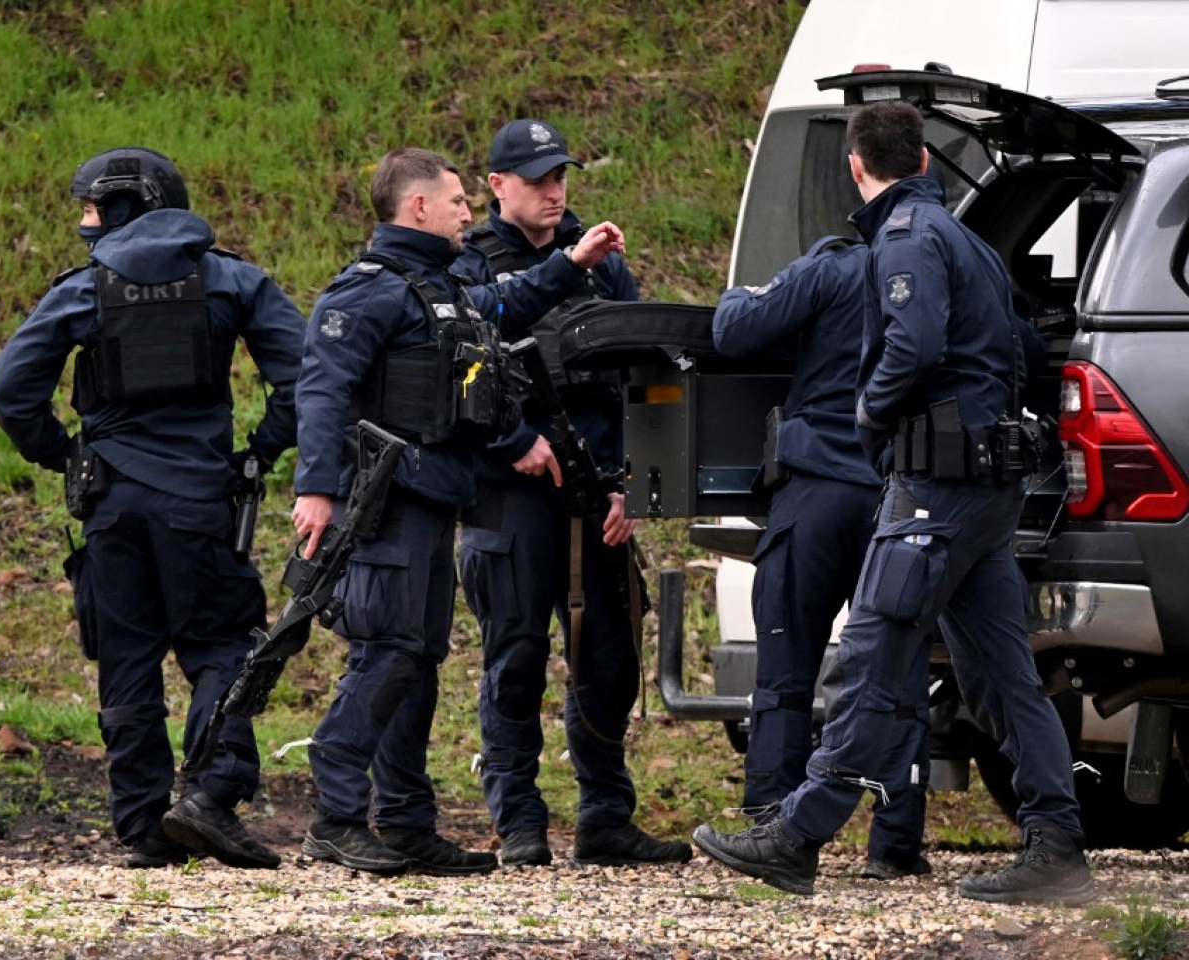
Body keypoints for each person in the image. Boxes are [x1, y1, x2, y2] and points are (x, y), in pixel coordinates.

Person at [693, 100, 1094, 905]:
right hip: (983, 493)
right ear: (922, 160)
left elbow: (911, 346)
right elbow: (1019, 349)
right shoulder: (974, 243)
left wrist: (871, 415)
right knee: (1003, 676)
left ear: (855, 164)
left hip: (935, 490)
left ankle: (798, 835)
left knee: (873, 652)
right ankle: (1057, 843)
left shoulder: (905, 238)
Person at [291, 147, 627, 876]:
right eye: (456, 202)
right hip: (384, 503)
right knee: (386, 653)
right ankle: (336, 814)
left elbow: (504, 308)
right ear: (418, 208)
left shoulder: (436, 288)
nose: (468, 211)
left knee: (417, 658)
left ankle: (407, 823)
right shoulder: (368, 292)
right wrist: (315, 488)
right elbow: (320, 390)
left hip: (432, 498)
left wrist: (571, 263)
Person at [0, 146, 306, 870]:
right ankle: (211, 796)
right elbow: (304, 377)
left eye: (91, 209)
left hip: (110, 504)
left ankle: (143, 826)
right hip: (198, 499)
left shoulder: (82, 290)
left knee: (126, 660)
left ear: (130, 203)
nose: (82, 222)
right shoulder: (232, 279)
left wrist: (60, 452)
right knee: (222, 646)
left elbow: (11, 389)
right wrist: (261, 452)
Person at [453, 118, 692, 868]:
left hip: (595, 488)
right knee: (516, 653)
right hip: (511, 486)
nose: (555, 192)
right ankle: (519, 817)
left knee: (609, 655)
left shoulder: (598, 261)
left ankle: (604, 816)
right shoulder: (469, 265)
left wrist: (632, 485)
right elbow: (456, 372)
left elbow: (643, 371)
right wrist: (511, 441)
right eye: (538, 180)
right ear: (497, 186)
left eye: (561, 177)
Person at [711, 233, 931, 881]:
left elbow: (733, 329)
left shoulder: (832, 267)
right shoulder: (933, 273)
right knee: (897, 672)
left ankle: (771, 827)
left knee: (786, 666)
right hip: (895, 496)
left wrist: (741, 291)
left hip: (814, 492)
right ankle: (894, 844)